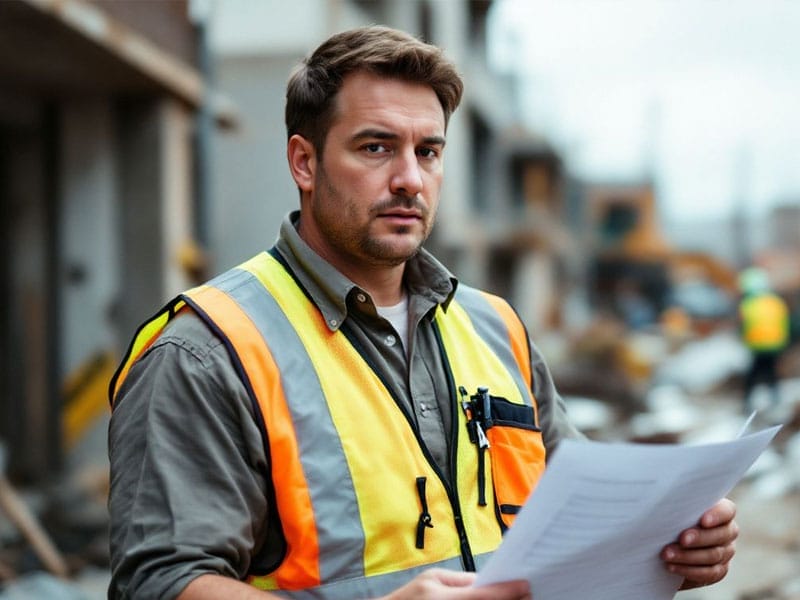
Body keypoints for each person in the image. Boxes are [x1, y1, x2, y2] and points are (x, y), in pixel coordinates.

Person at [108, 26, 738, 600]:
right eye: (377, 147)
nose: (410, 178)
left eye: (428, 152)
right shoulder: (207, 351)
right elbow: (160, 584)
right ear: (304, 162)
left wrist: (668, 546)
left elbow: (574, 526)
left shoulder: (496, 328)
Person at [738, 267, 790, 412]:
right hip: (775, 344)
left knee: (754, 374)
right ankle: (775, 399)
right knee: (771, 371)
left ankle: (748, 401)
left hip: (757, 345)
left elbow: (744, 325)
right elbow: (784, 323)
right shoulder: (776, 302)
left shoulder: (748, 304)